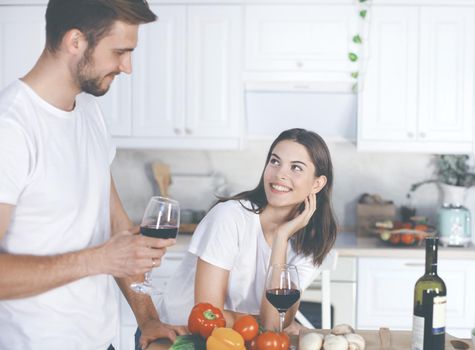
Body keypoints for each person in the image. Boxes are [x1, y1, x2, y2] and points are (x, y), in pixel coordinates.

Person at [0, 1, 186, 349]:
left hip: (101, 342)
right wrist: (98, 259)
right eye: (119, 52)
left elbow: (117, 228)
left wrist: (147, 319)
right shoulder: (11, 127)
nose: (127, 67)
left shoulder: (89, 112)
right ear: (75, 42)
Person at [154, 128, 337, 331]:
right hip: (173, 336)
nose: (279, 174)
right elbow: (208, 316)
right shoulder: (229, 217)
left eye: (296, 167)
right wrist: (262, 321)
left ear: (317, 184)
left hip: (235, 339)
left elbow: (275, 322)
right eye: (275, 161)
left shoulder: (312, 242)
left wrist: (281, 238)